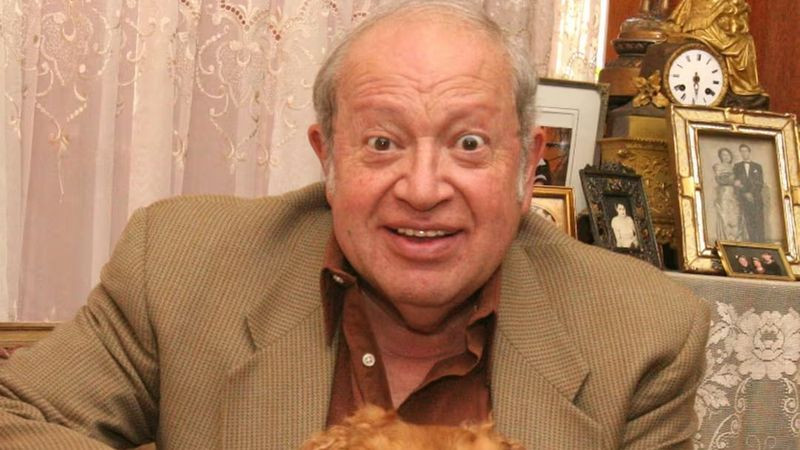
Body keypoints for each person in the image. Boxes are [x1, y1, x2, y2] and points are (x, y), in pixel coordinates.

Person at [0, 1, 709, 448]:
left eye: (468, 144)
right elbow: (22, 419)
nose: (423, 190)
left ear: (527, 168)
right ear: (329, 159)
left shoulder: (641, 330)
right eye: (382, 143)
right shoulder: (181, 263)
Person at [712, 147, 747, 241]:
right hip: (725, 193)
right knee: (725, 216)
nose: (726, 156)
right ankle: (727, 239)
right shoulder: (718, 166)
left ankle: (737, 239)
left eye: (727, 154)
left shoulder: (735, 167)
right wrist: (733, 181)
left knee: (736, 216)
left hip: (735, 194)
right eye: (723, 155)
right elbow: (720, 179)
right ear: (720, 157)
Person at [733, 144, 765, 242]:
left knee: (759, 219)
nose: (744, 153)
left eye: (746, 151)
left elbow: (760, 183)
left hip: (756, 197)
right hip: (744, 198)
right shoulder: (737, 167)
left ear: (749, 152)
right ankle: (753, 242)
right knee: (749, 220)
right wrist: (746, 193)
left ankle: (761, 242)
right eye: (742, 151)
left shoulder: (757, 166)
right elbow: (736, 183)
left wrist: (752, 193)